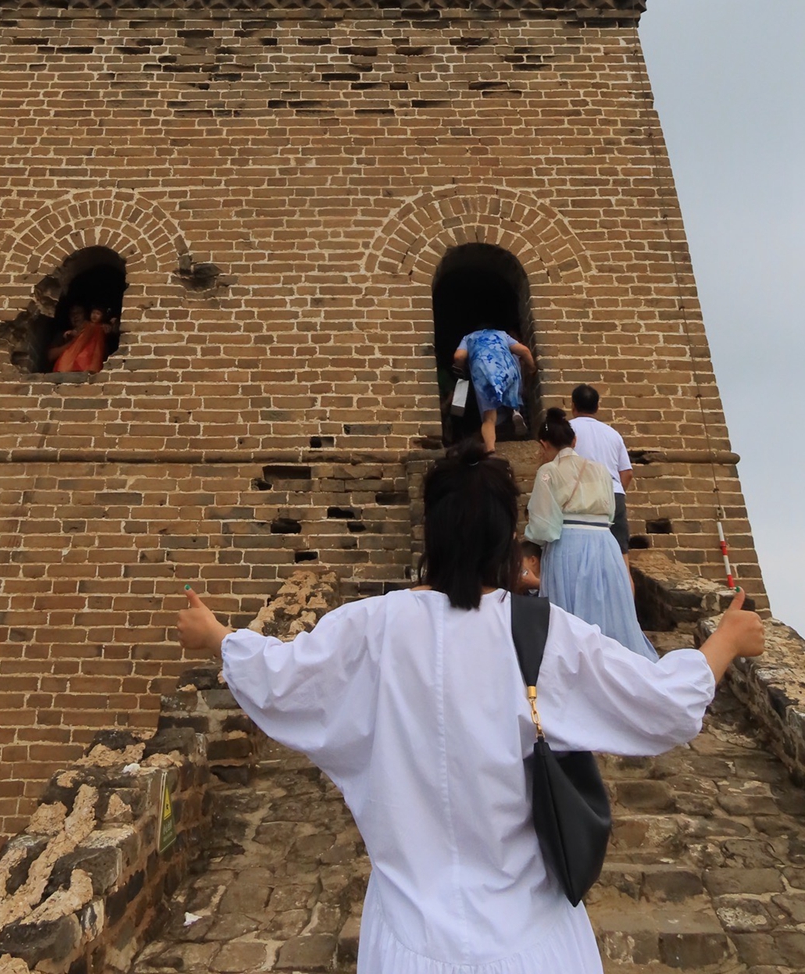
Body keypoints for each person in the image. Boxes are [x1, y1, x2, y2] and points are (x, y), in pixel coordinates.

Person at [178, 445, 764, 974]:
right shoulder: (544, 631)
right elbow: (662, 704)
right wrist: (725, 641)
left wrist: (217, 637)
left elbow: (282, 680)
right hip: (533, 943)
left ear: (430, 533)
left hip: (409, 941)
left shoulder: (371, 627)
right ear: (509, 536)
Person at [525, 407, 655, 659]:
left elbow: (543, 527)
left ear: (543, 443)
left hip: (568, 543)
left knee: (571, 613)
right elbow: (609, 511)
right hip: (605, 542)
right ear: (574, 441)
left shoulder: (548, 472)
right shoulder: (601, 471)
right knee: (608, 604)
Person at [570, 383, 633, 560]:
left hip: (583, 497)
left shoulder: (568, 431)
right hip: (614, 494)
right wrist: (615, 492)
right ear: (597, 407)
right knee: (621, 557)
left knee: (587, 558)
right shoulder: (613, 434)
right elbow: (627, 472)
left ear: (573, 405)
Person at [452, 325, 535, 452]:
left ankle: (490, 448)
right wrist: (532, 368)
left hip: (483, 374)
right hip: (507, 370)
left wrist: (461, 369)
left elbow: (459, 356)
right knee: (510, 385)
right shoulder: (502, 334)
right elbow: (524, 351)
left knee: (489, 418)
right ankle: (515, 410)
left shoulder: (469, 338)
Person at [52, 306, 117, 373]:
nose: (75, 316)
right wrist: (72, 337)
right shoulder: (85, 325)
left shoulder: (102, 328)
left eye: (79, 313)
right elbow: (50, 355)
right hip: (78, 352)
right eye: (72, 314)